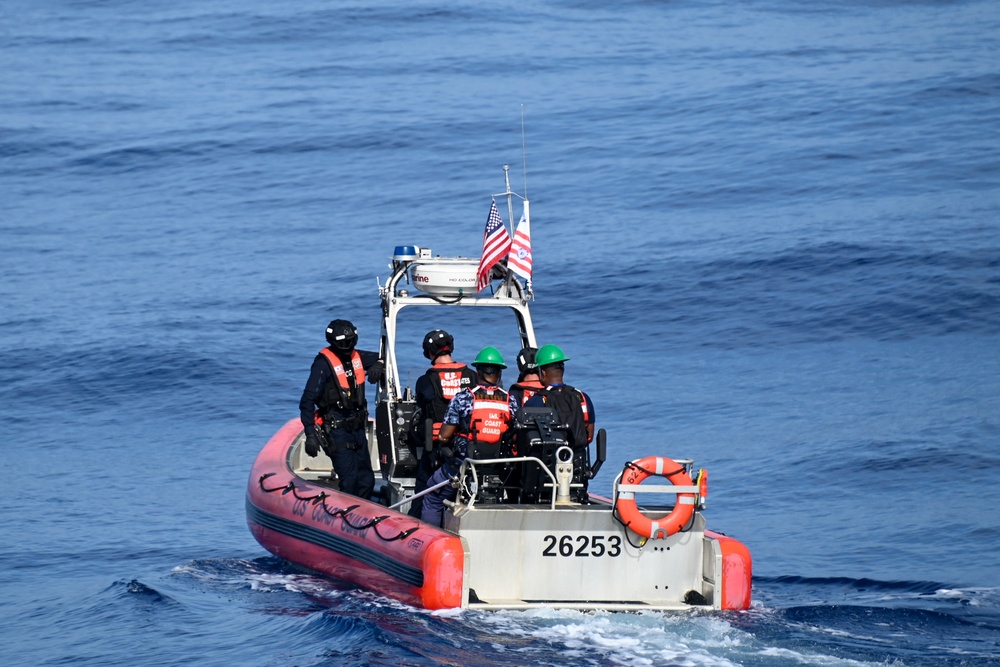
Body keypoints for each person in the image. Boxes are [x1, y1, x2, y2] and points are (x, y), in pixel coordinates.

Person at [420, 346, 520, 527]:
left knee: (432, 496)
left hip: (464, 465)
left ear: (478, 371)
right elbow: (515, 436)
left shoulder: (463, 398)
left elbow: (444, 436)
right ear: (499, 374)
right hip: (498, 468)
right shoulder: (510, 400)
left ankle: (432, 536)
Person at [299, 319, 384, 499]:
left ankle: (364, 516)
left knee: (367, 480)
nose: (347, 346)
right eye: (343, 343)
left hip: (358, 428)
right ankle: (347, 517)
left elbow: (383, 356)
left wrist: (379, 364)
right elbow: (307, 401)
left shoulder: (357, 357)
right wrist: (310, 435)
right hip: (337, 429)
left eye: (350, 342)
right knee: (350, 480)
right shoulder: (323, 365)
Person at [407, 329, 477, 518]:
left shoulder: (425, 381)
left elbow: (422, 413)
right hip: (466, 448)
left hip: (436, 446)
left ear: (429, 351)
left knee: (424, 491)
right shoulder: (471, 376)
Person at [523, 344, 596, 500]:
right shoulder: (582, 398)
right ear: (563, 370)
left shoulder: (536, 401)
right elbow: (589, 435)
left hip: (546, 475)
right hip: (577, 472)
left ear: (542, 372)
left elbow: (526, 440)